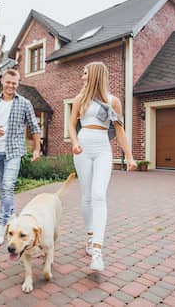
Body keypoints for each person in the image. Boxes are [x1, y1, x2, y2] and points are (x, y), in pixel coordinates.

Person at [68, 61, 137, 271]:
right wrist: (74, 143)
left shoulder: (113, 101)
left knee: (98, 195)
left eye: (85, 73)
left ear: (96, 74)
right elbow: (72, 125)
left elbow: (120, 130)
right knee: (87, 196)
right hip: (83, 147)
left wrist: (130, 156)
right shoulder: (80, 99)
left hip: (102, 149)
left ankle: (97, 251)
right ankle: (90, 237)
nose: (82, 77)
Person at [0, 68, 41, 245]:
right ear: (2, 82)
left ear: (18, 83)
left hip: (13, 151)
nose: (11, 86)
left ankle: (1, 227)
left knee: (7, 186)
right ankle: (12, 215)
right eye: (8, 82)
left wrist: (37, 149)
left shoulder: (24, 103)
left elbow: (34, 127)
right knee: (0, 189)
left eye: (14, 83)